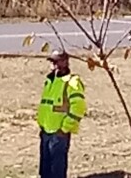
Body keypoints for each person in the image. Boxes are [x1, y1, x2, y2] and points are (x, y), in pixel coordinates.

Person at [36, 49, 86, 178]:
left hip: (59, 134)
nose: (53, 65)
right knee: (45, 170)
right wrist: (41, 125)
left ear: (65, 62)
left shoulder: (72, 82)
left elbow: (78, 108)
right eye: (52, 62)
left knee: (57, 171)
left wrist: (65, 128)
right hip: (46, 131)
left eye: (56, 62)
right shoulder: (50, 81)